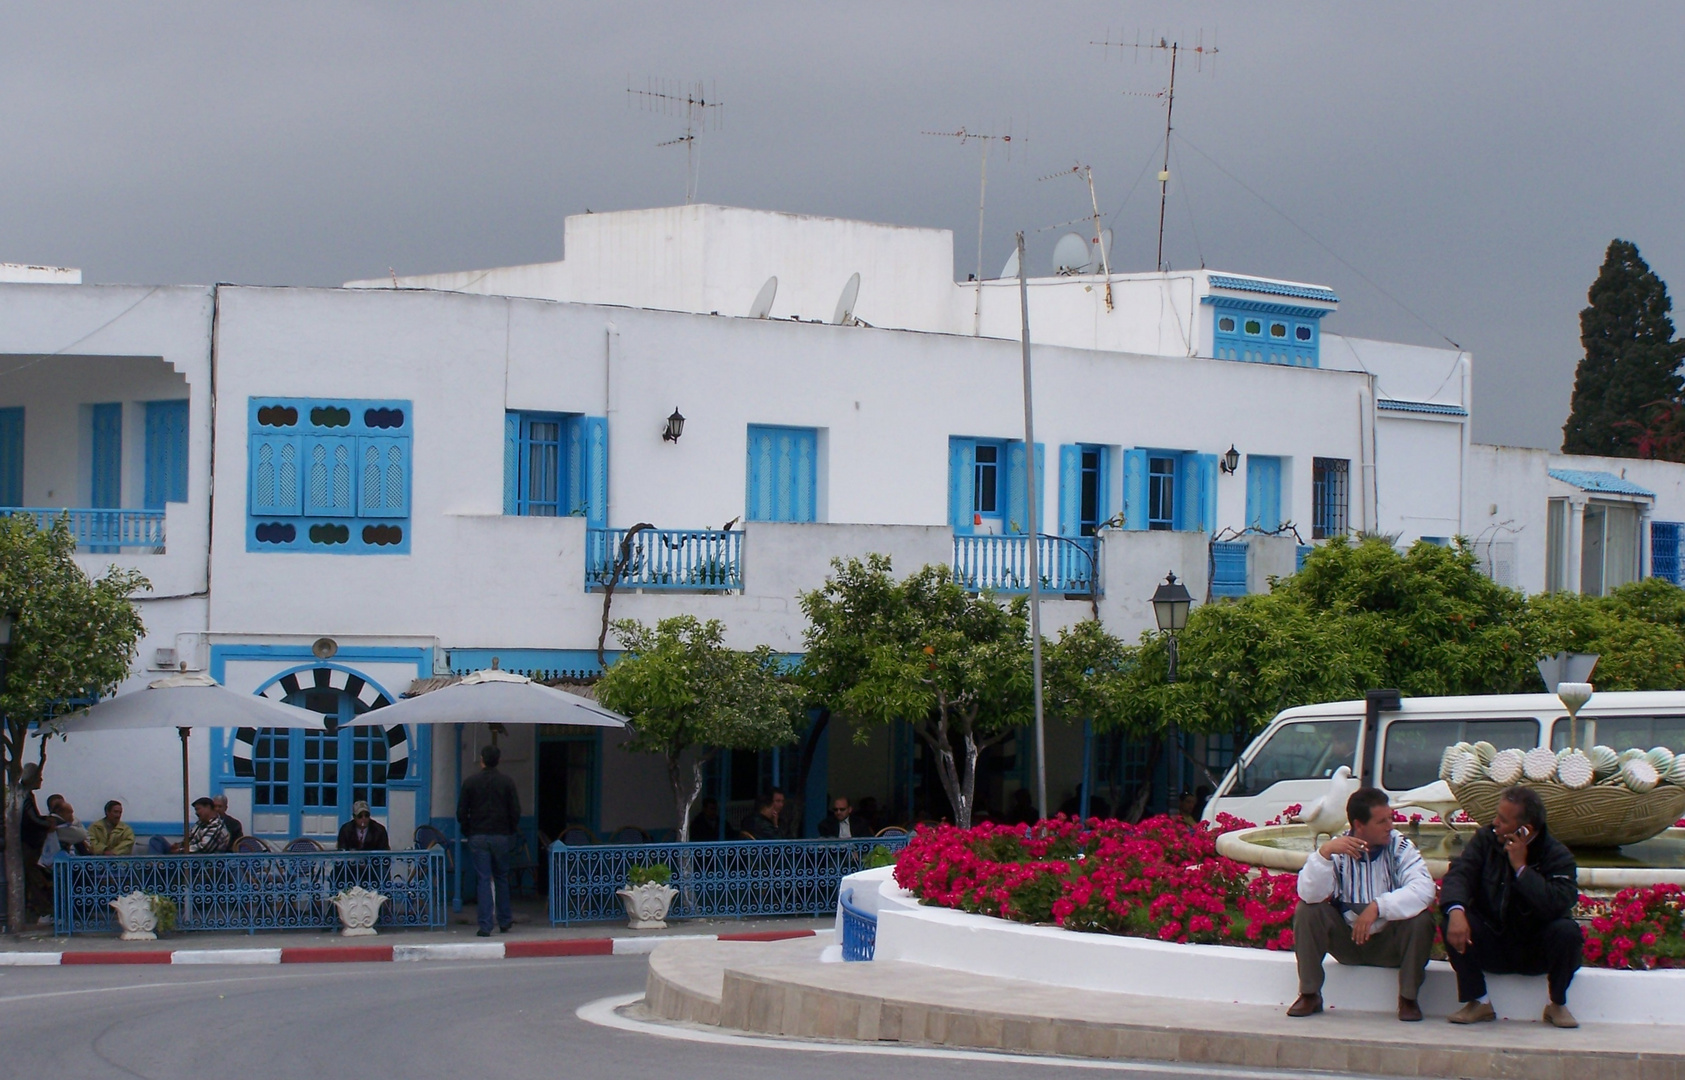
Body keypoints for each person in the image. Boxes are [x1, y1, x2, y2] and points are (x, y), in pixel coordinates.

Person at [1289, 786, 1437, 1023]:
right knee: (1307, 911)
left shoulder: (1400, 846)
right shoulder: (1337, 849)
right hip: (1347, 943)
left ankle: (1408, 999)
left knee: (1421, 920)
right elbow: (1309, 894)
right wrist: (1323, 855)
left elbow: (1424, 889)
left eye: (1390, 818)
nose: (1390, 825)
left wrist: (1378, 906)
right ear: (1359, 825)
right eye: (1381, 821)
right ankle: (1309, 994)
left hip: (1390, 944)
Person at [1440, 784, 1582, 1028]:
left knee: (1568, 932)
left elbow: (1556, 903)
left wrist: (1521, 869)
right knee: (1453, 920)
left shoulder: (1558, 856)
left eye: (1503, 820)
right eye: (1497, 815)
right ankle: (1479, 1001)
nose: (1495, 822)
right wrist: (1456, 910)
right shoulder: (1485, 840)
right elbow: (1460, 874)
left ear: (1525, 830)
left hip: (1534, 948)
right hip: (1494, 941)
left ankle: (1556, 1004)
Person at [457, 744, 520, 937]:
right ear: (498, 760)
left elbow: (461, 812)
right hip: (501, 835)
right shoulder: (507, 782)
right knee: (501, 877)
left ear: (482, 760)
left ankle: (485, 925)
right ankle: (505, 920)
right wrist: (509, 830)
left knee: (484, 879)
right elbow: (515, 811)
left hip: (478, 834)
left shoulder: (470, 783)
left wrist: (469, 830)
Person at [18, 764, 56, 921]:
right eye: (39, 776)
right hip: (28, 844)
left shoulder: (26, 794)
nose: (41, 779)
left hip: (31, 844)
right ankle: (42, 909)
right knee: (34, 879)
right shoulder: (24, 794)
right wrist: (48, 824)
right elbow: (30, 818)